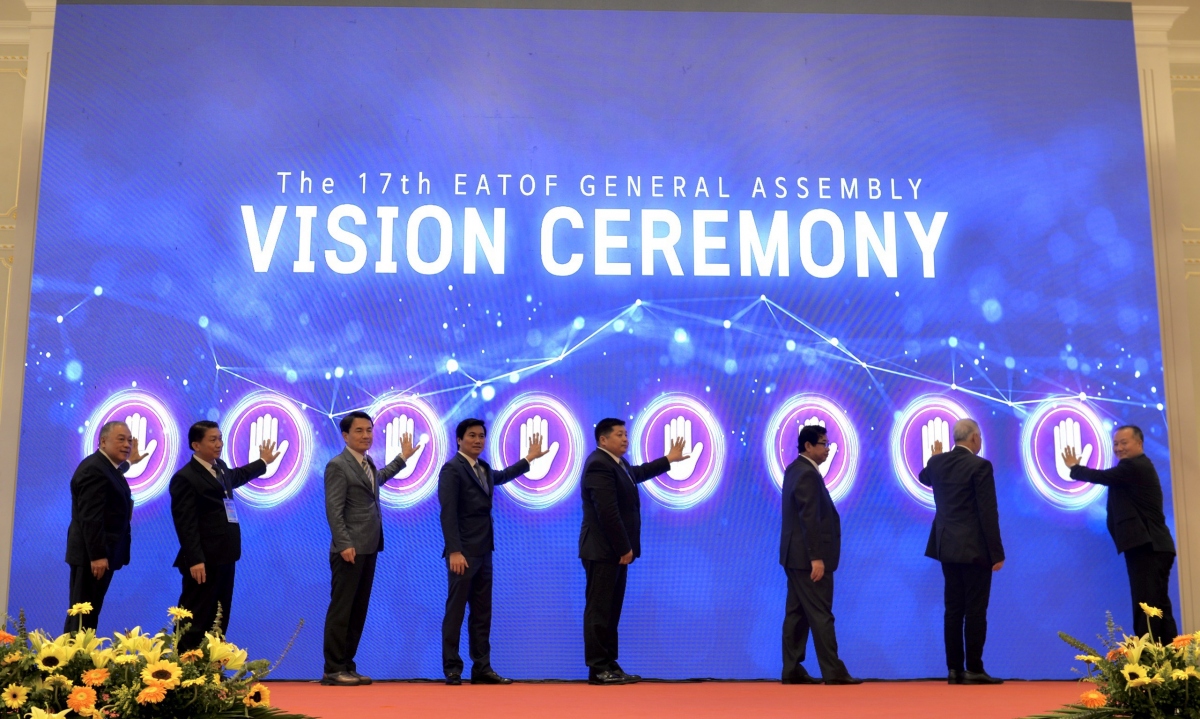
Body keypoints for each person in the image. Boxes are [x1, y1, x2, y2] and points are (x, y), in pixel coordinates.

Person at [438, 418, 548, 686]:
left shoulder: (484, 468)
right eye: (471, 435)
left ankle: (482, 668)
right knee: (456, 612)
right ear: (459, 440)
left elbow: (503, 476)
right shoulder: (452, 469)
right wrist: (454, 551)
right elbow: (448, 513)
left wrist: (529, 459)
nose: (478, 440)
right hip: (463, 552)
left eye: (481, 436)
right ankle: (452, 668)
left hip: (485, 550)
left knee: (481, 612)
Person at [579, 417, 688, 685]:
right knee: (599, 610)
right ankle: (598, 668)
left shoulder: (619, 464)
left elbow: (637, 473)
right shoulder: (598, 465)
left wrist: (668, 459)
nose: (625, 439)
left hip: (614, 552)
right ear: (603, 439)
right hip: (603, 551)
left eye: (625, 434)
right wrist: (624, 546)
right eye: (619, 434)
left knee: (611, 610)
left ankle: (610, 664)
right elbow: (607, 512)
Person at [322, 411, 419, 686]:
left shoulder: (367, 462)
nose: (366, 435)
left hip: (369, 546)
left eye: (369, 430)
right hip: (349, 549)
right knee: (342, 610)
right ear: (345, 435)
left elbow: (378, 479)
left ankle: (347, 665)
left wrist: (403, 458)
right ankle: (333, 668)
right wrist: (344, 543)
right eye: (359, 431)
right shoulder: (337, 465)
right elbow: (334, 509)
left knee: (358, 610)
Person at [168, 420, 279, 650]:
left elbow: (237, 475)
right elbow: (185, 524)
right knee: (196, 615)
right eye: (213, 440)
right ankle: (184, 661)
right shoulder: (185, 477)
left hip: (226, 555)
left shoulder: (219, 467)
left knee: (219, 615)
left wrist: (263, 462)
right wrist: (195, 559)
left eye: (220, 438)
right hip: (203, 560)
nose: (219, 444)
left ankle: (212, 664)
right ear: (196, 445)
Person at [1062, 425, 1178, 640]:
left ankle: (1149, 656)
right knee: (1158, 606)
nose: (1118, 448)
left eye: (1124, 443)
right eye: (1116, 444)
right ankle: (1169, 654)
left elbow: (1102, 476)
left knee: (1147, 607)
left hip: (1148, 547)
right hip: (1154, 546)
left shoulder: (1134, 466)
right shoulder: (1136, 467)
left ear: (1139, 443)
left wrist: (1074, 468)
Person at [920, 418, 1004, 685]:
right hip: (975, 549)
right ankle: (974, 668)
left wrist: (934, 458)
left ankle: (954, 670)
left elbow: (924, 477)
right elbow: (988, 512)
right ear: (975, 437)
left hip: (946, 546)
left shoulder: (937, 463)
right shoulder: (980, 466)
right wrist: (997, 552)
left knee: (953, 609)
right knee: (975, 610)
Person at [780, 423, 861, 685]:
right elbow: (809, 518)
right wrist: (816, 557)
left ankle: (792, 669)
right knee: (821, 614)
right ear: (808, 446)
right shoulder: (806, 474)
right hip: (807, 559)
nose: (828, 449)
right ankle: (833, 671)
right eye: (823, 444)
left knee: (797, 614)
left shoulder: (795, 469)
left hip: (794, 557)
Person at [63, 420, 142, 633]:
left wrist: (130, 463)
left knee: (89, 613)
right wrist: (98, 556)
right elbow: (91, 517)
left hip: (98, 556)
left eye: (129, 440)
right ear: (103, 441)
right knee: (82, 616)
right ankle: (74, 653)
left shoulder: (105, 467)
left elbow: (113, 477)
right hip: (91, 558)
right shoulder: (94, 470)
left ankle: (81, 652)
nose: (127, 445)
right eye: (121, 439)